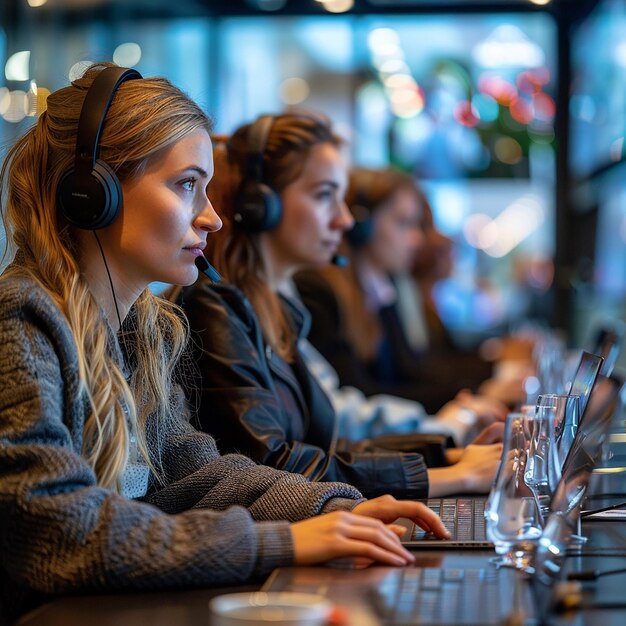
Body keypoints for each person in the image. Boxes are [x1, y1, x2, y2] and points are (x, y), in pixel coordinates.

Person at [0, 64, 449, 625]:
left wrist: (331, 507)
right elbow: (60, 533)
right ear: (93, 193)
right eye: (187, 184)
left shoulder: (144, 329)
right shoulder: (21, 318)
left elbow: (199, 475)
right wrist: (283, 544)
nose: (212, 216)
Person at [180, 112, 503, 502]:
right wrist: (448, 475)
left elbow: (325, 442)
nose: (344, 219)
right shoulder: (215, 307)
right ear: (260, 204)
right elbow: (274, 463)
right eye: (323, 195)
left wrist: (445, 453)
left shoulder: (278, 307)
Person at [295, 167, 503, 416]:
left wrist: (484, 384)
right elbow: (362, 395)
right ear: (362, 225)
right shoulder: (320, 290)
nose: (417, 239)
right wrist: (475, 397)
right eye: (404, 223)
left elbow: (411, 372)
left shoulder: (382, 288)